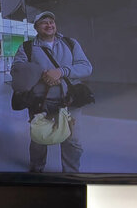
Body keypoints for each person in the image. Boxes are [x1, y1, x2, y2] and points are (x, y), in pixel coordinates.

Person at [11, 11, 92, 173]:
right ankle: (37, 169)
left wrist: (61, 72)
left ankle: (71, 174)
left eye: (51, 22)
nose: (49, 25)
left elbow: (86, 67)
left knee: (73, 141)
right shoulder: (26, 48)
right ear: (36, 27)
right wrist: (43, 75)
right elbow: (17, 70)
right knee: (38, 139)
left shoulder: (70, 43)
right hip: (40, 102)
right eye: (44, 22)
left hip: (69, 101)